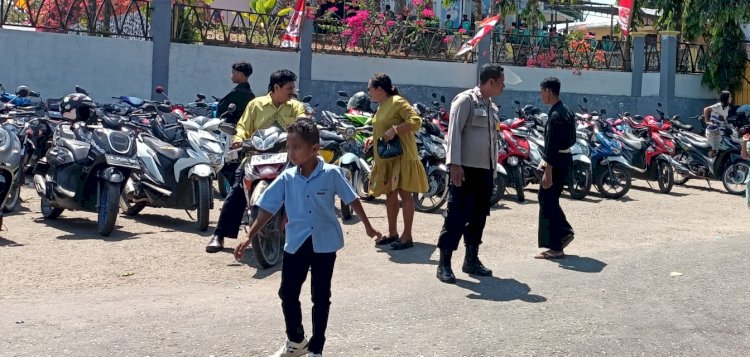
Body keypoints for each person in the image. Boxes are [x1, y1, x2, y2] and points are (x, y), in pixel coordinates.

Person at [234, 119, 381, 357]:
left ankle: (317, 347)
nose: (291, 153)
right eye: (288, 148)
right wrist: (249, 237)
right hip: (296, 243)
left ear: (314, 149)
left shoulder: (331, 174)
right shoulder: (287, 178)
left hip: (325, 244)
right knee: (288, 293)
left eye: (296, 147)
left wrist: (369, 227)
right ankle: (296, 340)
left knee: (320, 296)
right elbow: (267, 209)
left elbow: (352, 199)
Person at [206, 69, 306, 253]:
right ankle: (219, 235)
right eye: (289, 87)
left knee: (304, 187)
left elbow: (302, 122)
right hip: (256, 156)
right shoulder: (256, 104)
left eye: (293, 87)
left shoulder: (296, 106)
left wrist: (303, 130)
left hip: (287, 156)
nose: (293, 91)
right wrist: (238, 139)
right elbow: (243, 126)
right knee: (237, 190)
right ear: (277, 87)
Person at [435, 63, 504, 284]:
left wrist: (494, 171)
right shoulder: (465, 100)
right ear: (490, 82)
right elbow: (453, 133)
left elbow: (492, 141)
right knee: (456, 215)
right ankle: (444, 264)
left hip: (485, 170)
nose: (503, 87)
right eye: (501, 83)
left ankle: (471, 260)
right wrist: (454, 164)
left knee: (479, 217)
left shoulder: (492, 107)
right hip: (465, 170)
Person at [363, 73, 428, 250]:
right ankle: (393, 234)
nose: (368, 92)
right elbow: (382, 127)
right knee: (390, 195)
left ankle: (407, 236)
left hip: (402, 156)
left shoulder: (397, 101)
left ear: (379, 89)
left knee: (404, 195)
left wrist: (395, 130)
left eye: (370, 88)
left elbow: (416, 122)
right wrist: (372, 137)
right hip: (386, 158)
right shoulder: (382, 105)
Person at [535, 77, 576, 260]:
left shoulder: (556, 115)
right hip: (564, 158)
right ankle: (564, 232)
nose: (541, 95)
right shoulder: (566, 111)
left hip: (556, 162)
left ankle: (557, 246)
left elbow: (551, 144)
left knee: (547, 199)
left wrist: (548, 170)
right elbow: (572, 139)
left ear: (548, 91)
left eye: (542, 91)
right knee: (548, 199)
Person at [217, 61, 256, 187]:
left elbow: (221, 110)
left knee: (227, 164)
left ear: (240, 74)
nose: (231, 75)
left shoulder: (238, 93)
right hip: (244, 133)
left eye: (233, 73)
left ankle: (237, 187)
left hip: (232, 133)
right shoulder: (250, 94)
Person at [703, 90, 733, 157]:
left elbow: (724, 118)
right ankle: (709, 163)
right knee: (715, 149)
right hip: (713, 131)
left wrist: (728, 125)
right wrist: (706, 121)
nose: (731, 98)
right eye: (730, 97)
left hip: (720, 130)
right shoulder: (718, 105)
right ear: (726, 98)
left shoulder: (727, 107)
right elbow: (706, 109)